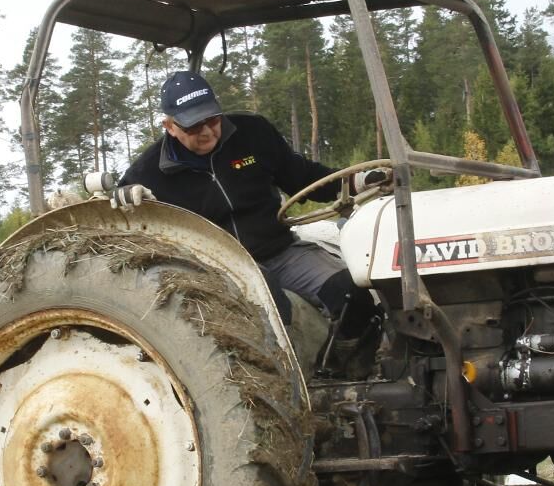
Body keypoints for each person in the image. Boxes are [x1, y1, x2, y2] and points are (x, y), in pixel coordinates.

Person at [115, 71, 383, 363]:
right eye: (193, 126)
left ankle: (341, 372)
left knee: (351, 293)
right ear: (170, 126)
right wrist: (126, 197)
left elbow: (303, 177)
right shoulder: (150, 170)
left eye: (212, 119)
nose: (207, 132)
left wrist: (358, 181)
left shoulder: (253, 133)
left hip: (280, 252)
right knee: (270, 309)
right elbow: (121, 208)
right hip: (218, 266)